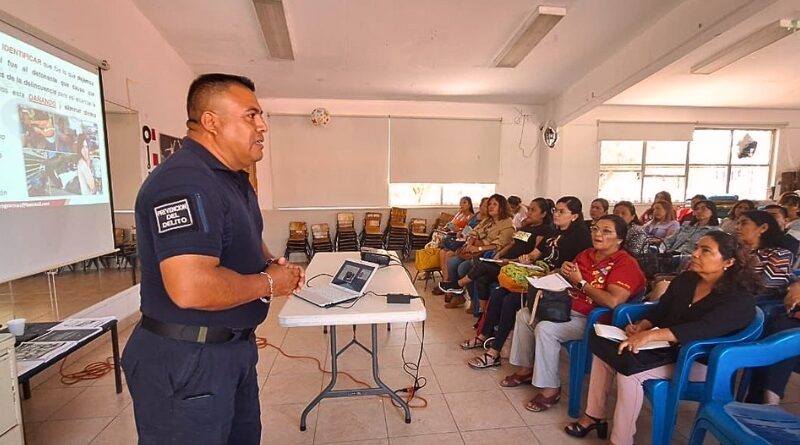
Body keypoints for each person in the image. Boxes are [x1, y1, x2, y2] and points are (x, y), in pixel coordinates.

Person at [122, 73, 304, 445]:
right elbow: (191, 288)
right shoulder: (185, 182)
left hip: (229, 352)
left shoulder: (231, 180)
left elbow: (240, 243)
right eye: (251, 115)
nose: (262, 126)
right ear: (211, 122)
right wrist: (271, 283)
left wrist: (271, 264)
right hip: (188, 359)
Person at [566, 232, 758, 445]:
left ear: (729, 262)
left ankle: (620, 440)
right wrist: (642, 325)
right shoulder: (686, 280)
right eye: (696, 247)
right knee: (607, 353)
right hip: (666, 349)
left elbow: (702, 329)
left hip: (697, 360)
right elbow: (661, 309)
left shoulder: (739, 299)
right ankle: (594, 416)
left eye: (705, 251)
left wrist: (650, 335)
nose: (694, 254)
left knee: (630, 374)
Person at [497, 215, 645, 409]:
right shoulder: (587, 254)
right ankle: (526, 370)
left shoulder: (625, 264)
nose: (598, 234)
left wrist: (581, 282)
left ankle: (551, 389)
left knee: (545, 329)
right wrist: (562, 271)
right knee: (524, 315)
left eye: (606, 231)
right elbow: (570, 277)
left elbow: (613, 301)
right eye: (595, 229)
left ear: (620, 238)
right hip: (566, 307)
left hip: (595, 319)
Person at [456, 198, 554, 347]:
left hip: (517, 266)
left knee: (481, 266)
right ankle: (483, 318)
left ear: (544, 213)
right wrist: (500, 254)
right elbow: (512, 243)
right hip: (505, 260)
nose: (529, 212)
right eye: (529, 209)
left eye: (533, 210)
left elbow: (532, 257)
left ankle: (458, 285)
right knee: (482, 278)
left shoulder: (544, 232)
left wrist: (509, 260)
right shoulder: (526, 227)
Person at [439, 194, 515, 308]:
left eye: (495, 204)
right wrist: (470, 243)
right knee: (452, 261)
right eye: (489, 204)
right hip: (473, 250)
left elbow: (499, 245)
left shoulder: (508, 224)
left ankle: (473, 302)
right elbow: (474, 232)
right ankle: (457, 294)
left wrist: (478, 247)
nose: (491, 207)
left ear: (502, 207)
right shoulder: (488, 220)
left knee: (462, 267)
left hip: (487, 254)